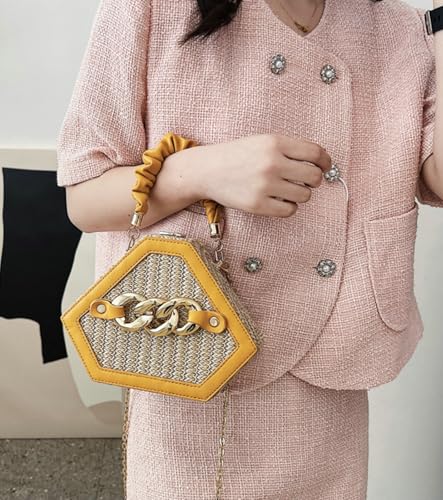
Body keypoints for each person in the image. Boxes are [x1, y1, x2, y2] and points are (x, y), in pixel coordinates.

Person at [56, 0, 443, 498]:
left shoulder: (393, 25)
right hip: (189, 359)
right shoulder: (151, 8)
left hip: (330, 377)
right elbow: (85, 199)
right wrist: (200, 172)